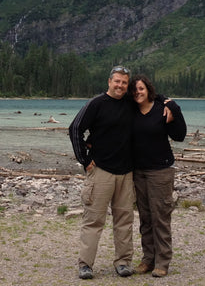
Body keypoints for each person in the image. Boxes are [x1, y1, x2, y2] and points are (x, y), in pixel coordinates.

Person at [68, 65, 136, 280]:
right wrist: (84, 159)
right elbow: (75, 128)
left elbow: (149, 97)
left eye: (124, 82)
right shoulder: (96, 103)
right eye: (117, 81)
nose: (120, 85)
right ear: (109, 82)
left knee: (124, 220)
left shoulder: (130, 103)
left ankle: (123, 262)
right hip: (101, 171)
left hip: (126, 172)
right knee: (94, 220)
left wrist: (169, 104)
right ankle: (85, 264)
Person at [129, 74, 187, 278]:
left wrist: (174, 108)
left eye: (141, 89)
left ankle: (163, 261)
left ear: (148, 90)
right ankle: (148, 259)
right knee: (145, 217)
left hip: (161, 171)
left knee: (160, 216)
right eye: (135, 90)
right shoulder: (131, 110)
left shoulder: (162, 108)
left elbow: (179, 135)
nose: (138, 92)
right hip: (138, 171)